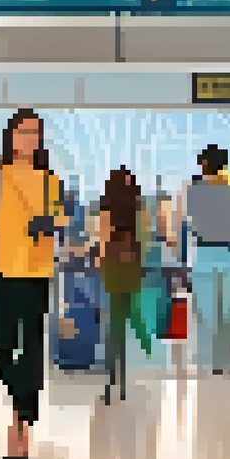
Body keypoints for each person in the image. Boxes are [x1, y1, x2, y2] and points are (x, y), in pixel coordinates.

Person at [0, 108, 64, 459]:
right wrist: (0, 249)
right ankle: (20, 405)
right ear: (11, 136)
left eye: (35, 132)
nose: (30, 138)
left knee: (32, 349)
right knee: (4, 348)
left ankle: (22, 424)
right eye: (24, 131)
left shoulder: (50, 180)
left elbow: (59, 219)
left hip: (38, 272)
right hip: (5, 272)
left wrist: (51, 224)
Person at [170, 145, 230, 376]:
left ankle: (205, 364)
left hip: (203, 255)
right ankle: (223, 364)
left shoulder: (193, 192)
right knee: (227, 315)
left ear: (203, 164)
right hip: (229, 255)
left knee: (205, 315)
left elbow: (183, 225)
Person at [96, 166, 146, 404]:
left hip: (113, 259)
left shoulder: (107, 202)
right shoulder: (136, 203)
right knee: (123, 321)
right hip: (131, 259)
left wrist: (100, 260)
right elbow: (142, 236)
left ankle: (110, 378)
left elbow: (104, 236)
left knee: (113, 320)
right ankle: (123, 380)